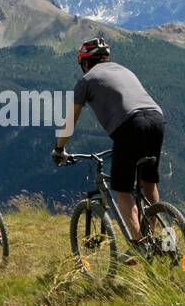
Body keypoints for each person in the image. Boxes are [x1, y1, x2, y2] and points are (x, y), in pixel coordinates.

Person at [53, 37, 164, 243]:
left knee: (122, 189)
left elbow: (70, 120)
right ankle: (153, 238)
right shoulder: (124, 69)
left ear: (85, 62)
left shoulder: (86, 80)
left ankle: (141, 245)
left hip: (130, 125)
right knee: (148, 182)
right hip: (157, 119)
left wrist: (59, 149)